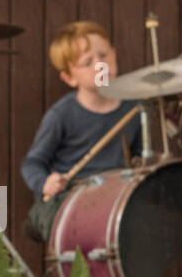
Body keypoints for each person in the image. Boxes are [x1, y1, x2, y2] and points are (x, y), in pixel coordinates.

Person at [21, 21, 142, 244]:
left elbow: (138, 153)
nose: (100, 64)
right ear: (69, 78)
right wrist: (45, 182)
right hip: (73, 199)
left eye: (104, 55)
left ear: (114, 55)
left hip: (117, 198)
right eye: (88, 62)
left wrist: (139, 163)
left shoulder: (133, 108)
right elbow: (31, 164)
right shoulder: (62, 115)